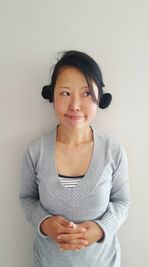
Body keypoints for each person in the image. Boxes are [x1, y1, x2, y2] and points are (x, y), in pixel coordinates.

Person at [19, 50, 130, 267]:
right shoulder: (36, 151)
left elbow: (122, 202)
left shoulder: (113, 151)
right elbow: (27, 198)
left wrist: (101, 228)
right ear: (52, 96)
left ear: (99, 97)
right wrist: (45, 223)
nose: (75, 105)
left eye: (87, 93)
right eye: (65, 93)